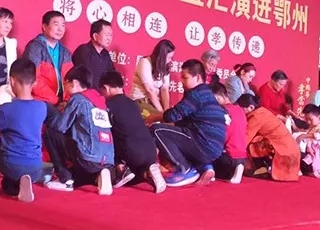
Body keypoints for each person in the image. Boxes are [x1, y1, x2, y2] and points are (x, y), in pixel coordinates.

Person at [0, 58, 47, 202]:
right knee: (8, 186)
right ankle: (19, 185)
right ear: (34, 82)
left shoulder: (7, 109)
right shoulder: (42, 107)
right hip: (36, 168)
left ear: (12, 81)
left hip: (13, 165)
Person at [148, 59, 228, 187]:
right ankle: (205, 167)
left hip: (203, 143)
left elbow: (172, 115)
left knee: (156, 130)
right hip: (214, 148)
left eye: (185, 78)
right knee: (177, 136)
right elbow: (182, 123)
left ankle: (185, 169)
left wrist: (153, 118)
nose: (182, 81)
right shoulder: (207, 93)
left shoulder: (196, 94)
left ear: (197, 78)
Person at [44, 66, 114, 195]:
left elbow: (61, 127)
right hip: (108, 159)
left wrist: (54, 114)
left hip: (88, 157)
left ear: (75, 82)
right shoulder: (100, 101)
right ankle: (99, 175)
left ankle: (65, 180)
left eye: (65, 83)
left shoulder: (78, 99)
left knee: (50, 133)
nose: (65, 87)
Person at [98, 70, 166, 193]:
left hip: (131, 153)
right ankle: (148, 171)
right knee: (137, 174)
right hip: (150, 151)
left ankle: (122, 169)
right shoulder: (133, 104)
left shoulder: (108, 106)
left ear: (106, 88)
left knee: (108, 136)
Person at [239, 94, 300, 182]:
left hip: (284, 152)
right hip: (291, 150)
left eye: (242, 109)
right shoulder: (262, 111)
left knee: (253, 141)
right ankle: (262, 168)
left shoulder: (256, 117)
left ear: (251, 107)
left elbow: (245, 139)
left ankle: (262, 167)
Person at [23, 11, 73, 110]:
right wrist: (56, 101)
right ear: (44, 27)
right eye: (56, 24)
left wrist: (66, 102)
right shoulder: (35, 47)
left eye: (63, 25)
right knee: (55, 116)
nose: (60, 29)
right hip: (40, 99)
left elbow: (71, 78)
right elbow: (34, 80)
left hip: (62, 101)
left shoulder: (65, 51)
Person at [210, 82, 246, 184]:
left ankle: (210, 171)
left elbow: (220, 137)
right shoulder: (240, 110)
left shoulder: (220, 111)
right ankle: (238, 166)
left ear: (217, 97)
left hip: (227, 158)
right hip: (241, 157)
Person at [131, 39, 175, 114]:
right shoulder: (145, 62)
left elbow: (164, 90)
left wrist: (166, 111)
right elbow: (149, 90)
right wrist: (161, 113)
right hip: (140, 100)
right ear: (162, 57)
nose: (170, 60)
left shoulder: (165, 67)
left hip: (154, 103)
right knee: (157, 118)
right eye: (169, 57)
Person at [72, 19, 115, 89]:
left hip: (101, 94)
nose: (109, 38)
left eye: (111, 35)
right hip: (86, 93)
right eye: (107, 35)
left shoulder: (105, 54)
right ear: (95, 36)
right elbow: (86, 79)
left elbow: (112, 76)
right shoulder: (83, 51)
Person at [294, 104, 320, 178]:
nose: (308, 122)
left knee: (299, 156)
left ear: (319, 118)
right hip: (310, 157)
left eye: (310, 120)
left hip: (314, 160)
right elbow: (301, 132)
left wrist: (303, 136)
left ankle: (308, 171)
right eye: (307, 120)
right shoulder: (312, 128)